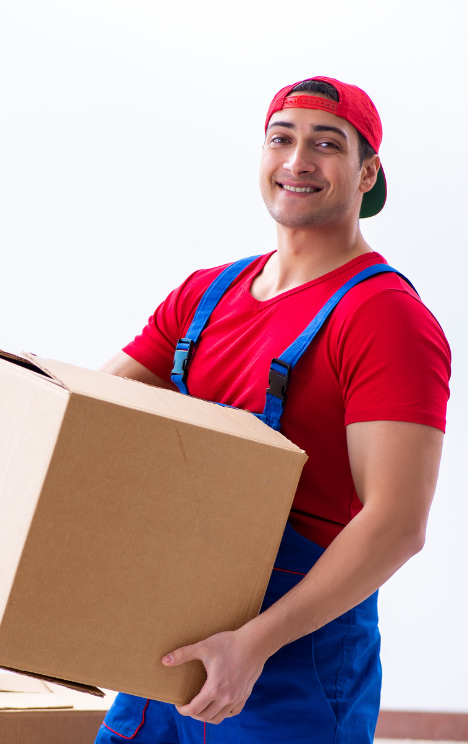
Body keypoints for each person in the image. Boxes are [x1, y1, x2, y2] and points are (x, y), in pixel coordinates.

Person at [95, 76, 451, 743]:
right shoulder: (203, 297)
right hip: (165, 652)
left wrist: (253, 644)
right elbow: (86, 424)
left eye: (327, 144)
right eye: (281, 139)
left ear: (367, 173)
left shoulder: (385, 319)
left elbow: (398, 522)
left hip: (291, 667)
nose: (298, 160)